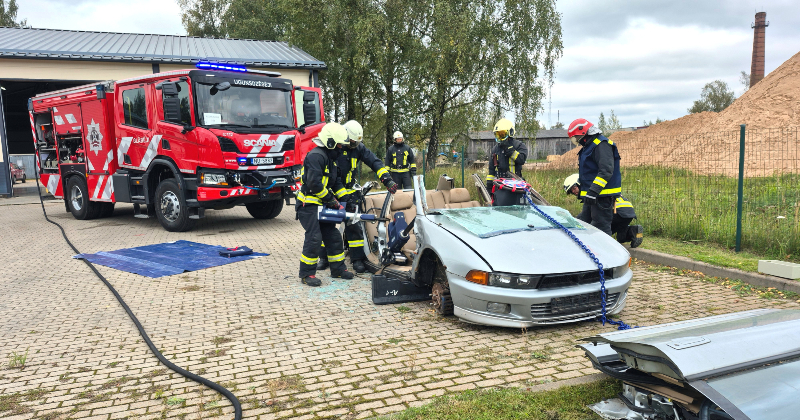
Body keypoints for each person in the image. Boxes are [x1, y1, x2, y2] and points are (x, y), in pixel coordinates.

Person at [317, 120, 399, 274]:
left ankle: (357, 259)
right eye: (352, 142)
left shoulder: (358, 148)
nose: (354, 145)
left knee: (354, 226)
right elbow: (336, 177)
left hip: (349, 191)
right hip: (333, 191)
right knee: (327, 225)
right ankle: (324, 257)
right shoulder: (336, 148)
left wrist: (386, 178)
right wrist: (344, 196)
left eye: (356, 143)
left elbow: (374, 162)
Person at [296, 122, 355, 287]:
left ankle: (338, 269)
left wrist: (347, 201)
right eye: (339, 145)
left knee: (333, 236)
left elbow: (336, 183)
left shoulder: (330, 159)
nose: (341, 148)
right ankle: (307, 274)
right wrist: (331, 200)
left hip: (322, 205)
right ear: (330, 143)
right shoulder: (316, 156)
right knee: (315, 238)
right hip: (308, 205)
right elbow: (314, 183)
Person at [567, 118, 622, 236]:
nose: (576, 140)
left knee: (601, 227)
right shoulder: (590, 146)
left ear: (583, 132)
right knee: (583, 222)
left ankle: (605, 253)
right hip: (592, 195)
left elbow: (606, 171)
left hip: (601, 195)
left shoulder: (602, 145)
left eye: (576, 137)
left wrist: (593, 192)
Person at [563, 174, 643, 248]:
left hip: (616, 212)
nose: (573, 192)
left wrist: (571, 223)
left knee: (597, 231)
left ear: (579, 183)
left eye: (574, 188)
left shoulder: (590, 193)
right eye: (571, 191)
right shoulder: (599, 188)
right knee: (620, 237)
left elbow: (585, 217)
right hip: (628, 212)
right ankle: (633, 231)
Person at [485, 118, 528, 197]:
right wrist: (489, 187)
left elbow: (521, 160)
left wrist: (511, 151)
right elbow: (491, 170)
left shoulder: (519, 146)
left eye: (502, 134)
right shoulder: (495, 149)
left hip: (516, 186)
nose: (500, 137)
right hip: (500, 186)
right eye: (498, 134)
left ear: (510, 132)